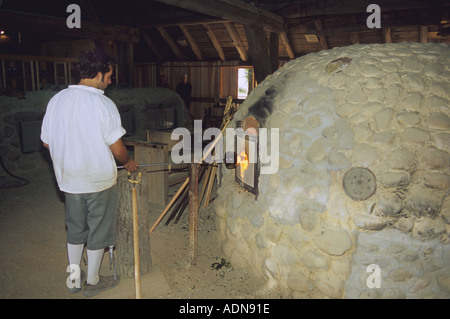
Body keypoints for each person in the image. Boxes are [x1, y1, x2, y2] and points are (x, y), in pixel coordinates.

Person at [40, 50, 139, 297]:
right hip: (98, 181)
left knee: (75, 229)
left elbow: (46, 143)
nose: (110, 80)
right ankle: (93, 280)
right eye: (109, 75)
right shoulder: (103, 104)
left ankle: (74, 280)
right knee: (99, 230)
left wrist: (69, 152)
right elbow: (117, 148)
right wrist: (127, 162)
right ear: (98, 74)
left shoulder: (57, 100)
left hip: (70, 180)